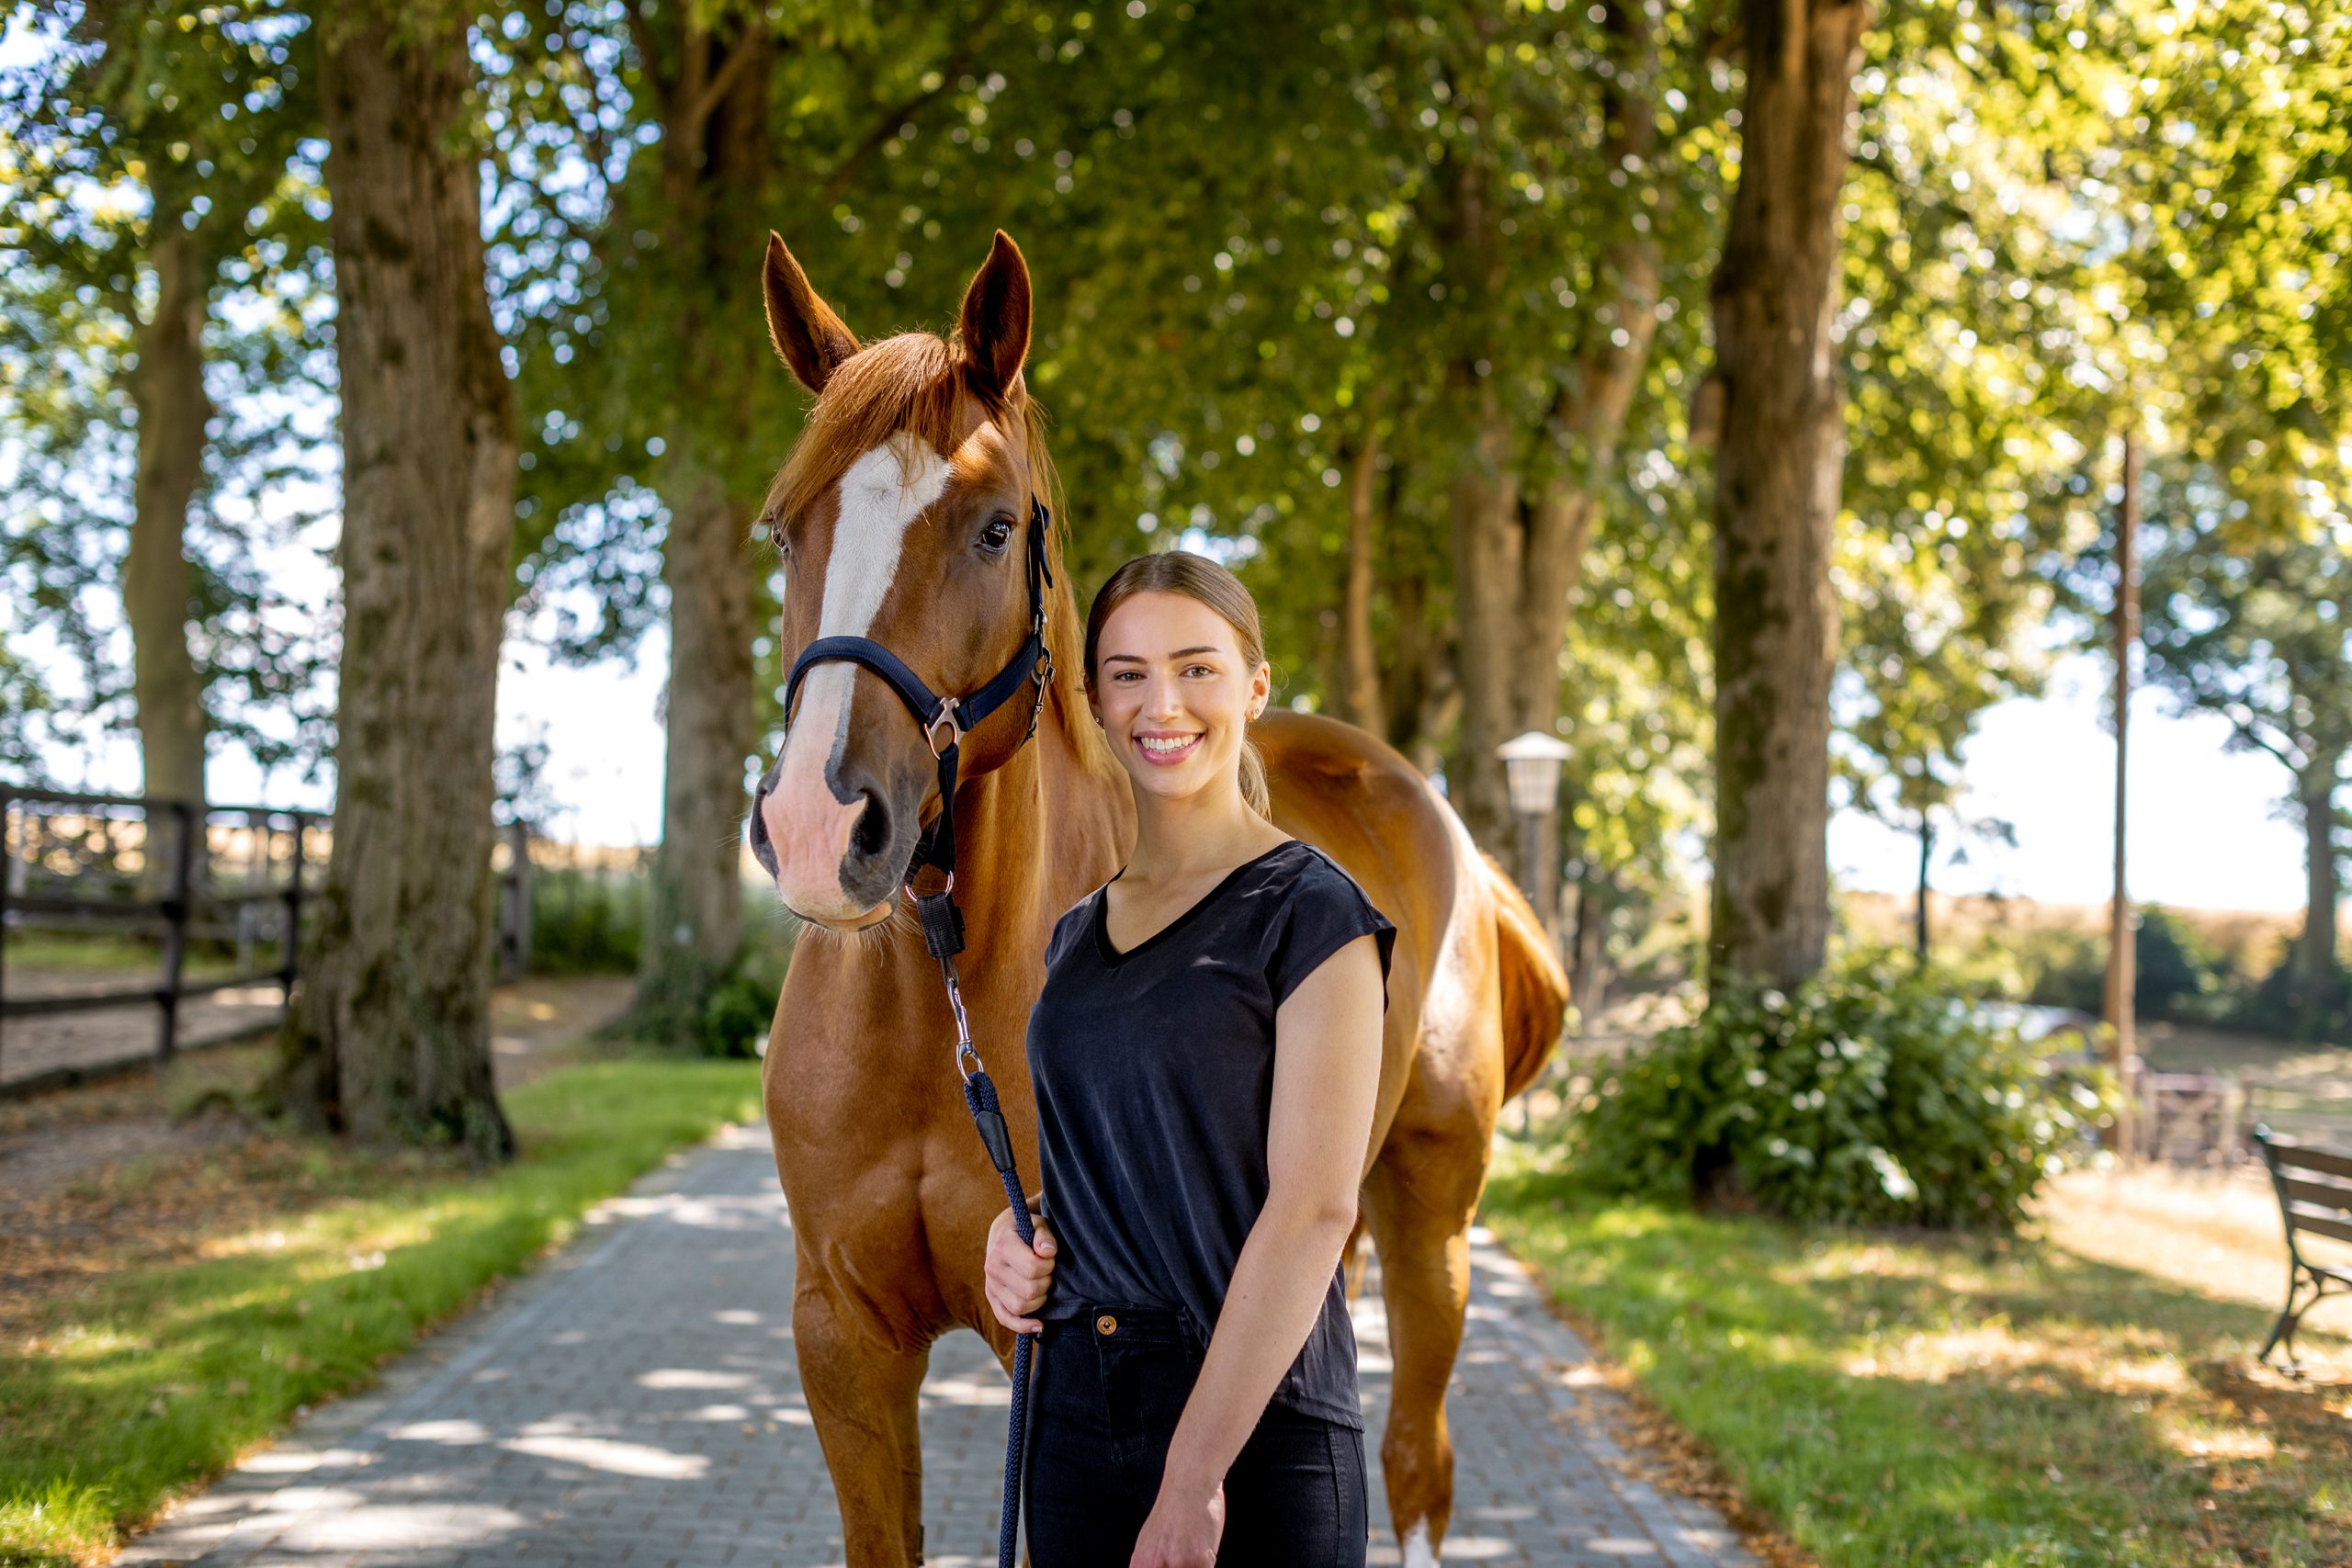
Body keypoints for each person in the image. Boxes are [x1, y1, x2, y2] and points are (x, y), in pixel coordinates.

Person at [983, 550, 1396, 1568]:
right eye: (1126, 673)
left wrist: (1192, 1479)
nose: (1160, 702)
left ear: (1254, 688)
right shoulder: (1074, 936)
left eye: (1196, 667)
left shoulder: (1313, 913)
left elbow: (1314, 1212)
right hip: (1076, 1414)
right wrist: (1022, 1232)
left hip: (1256, 1431)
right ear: (1091, 699)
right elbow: (1120, 1153)